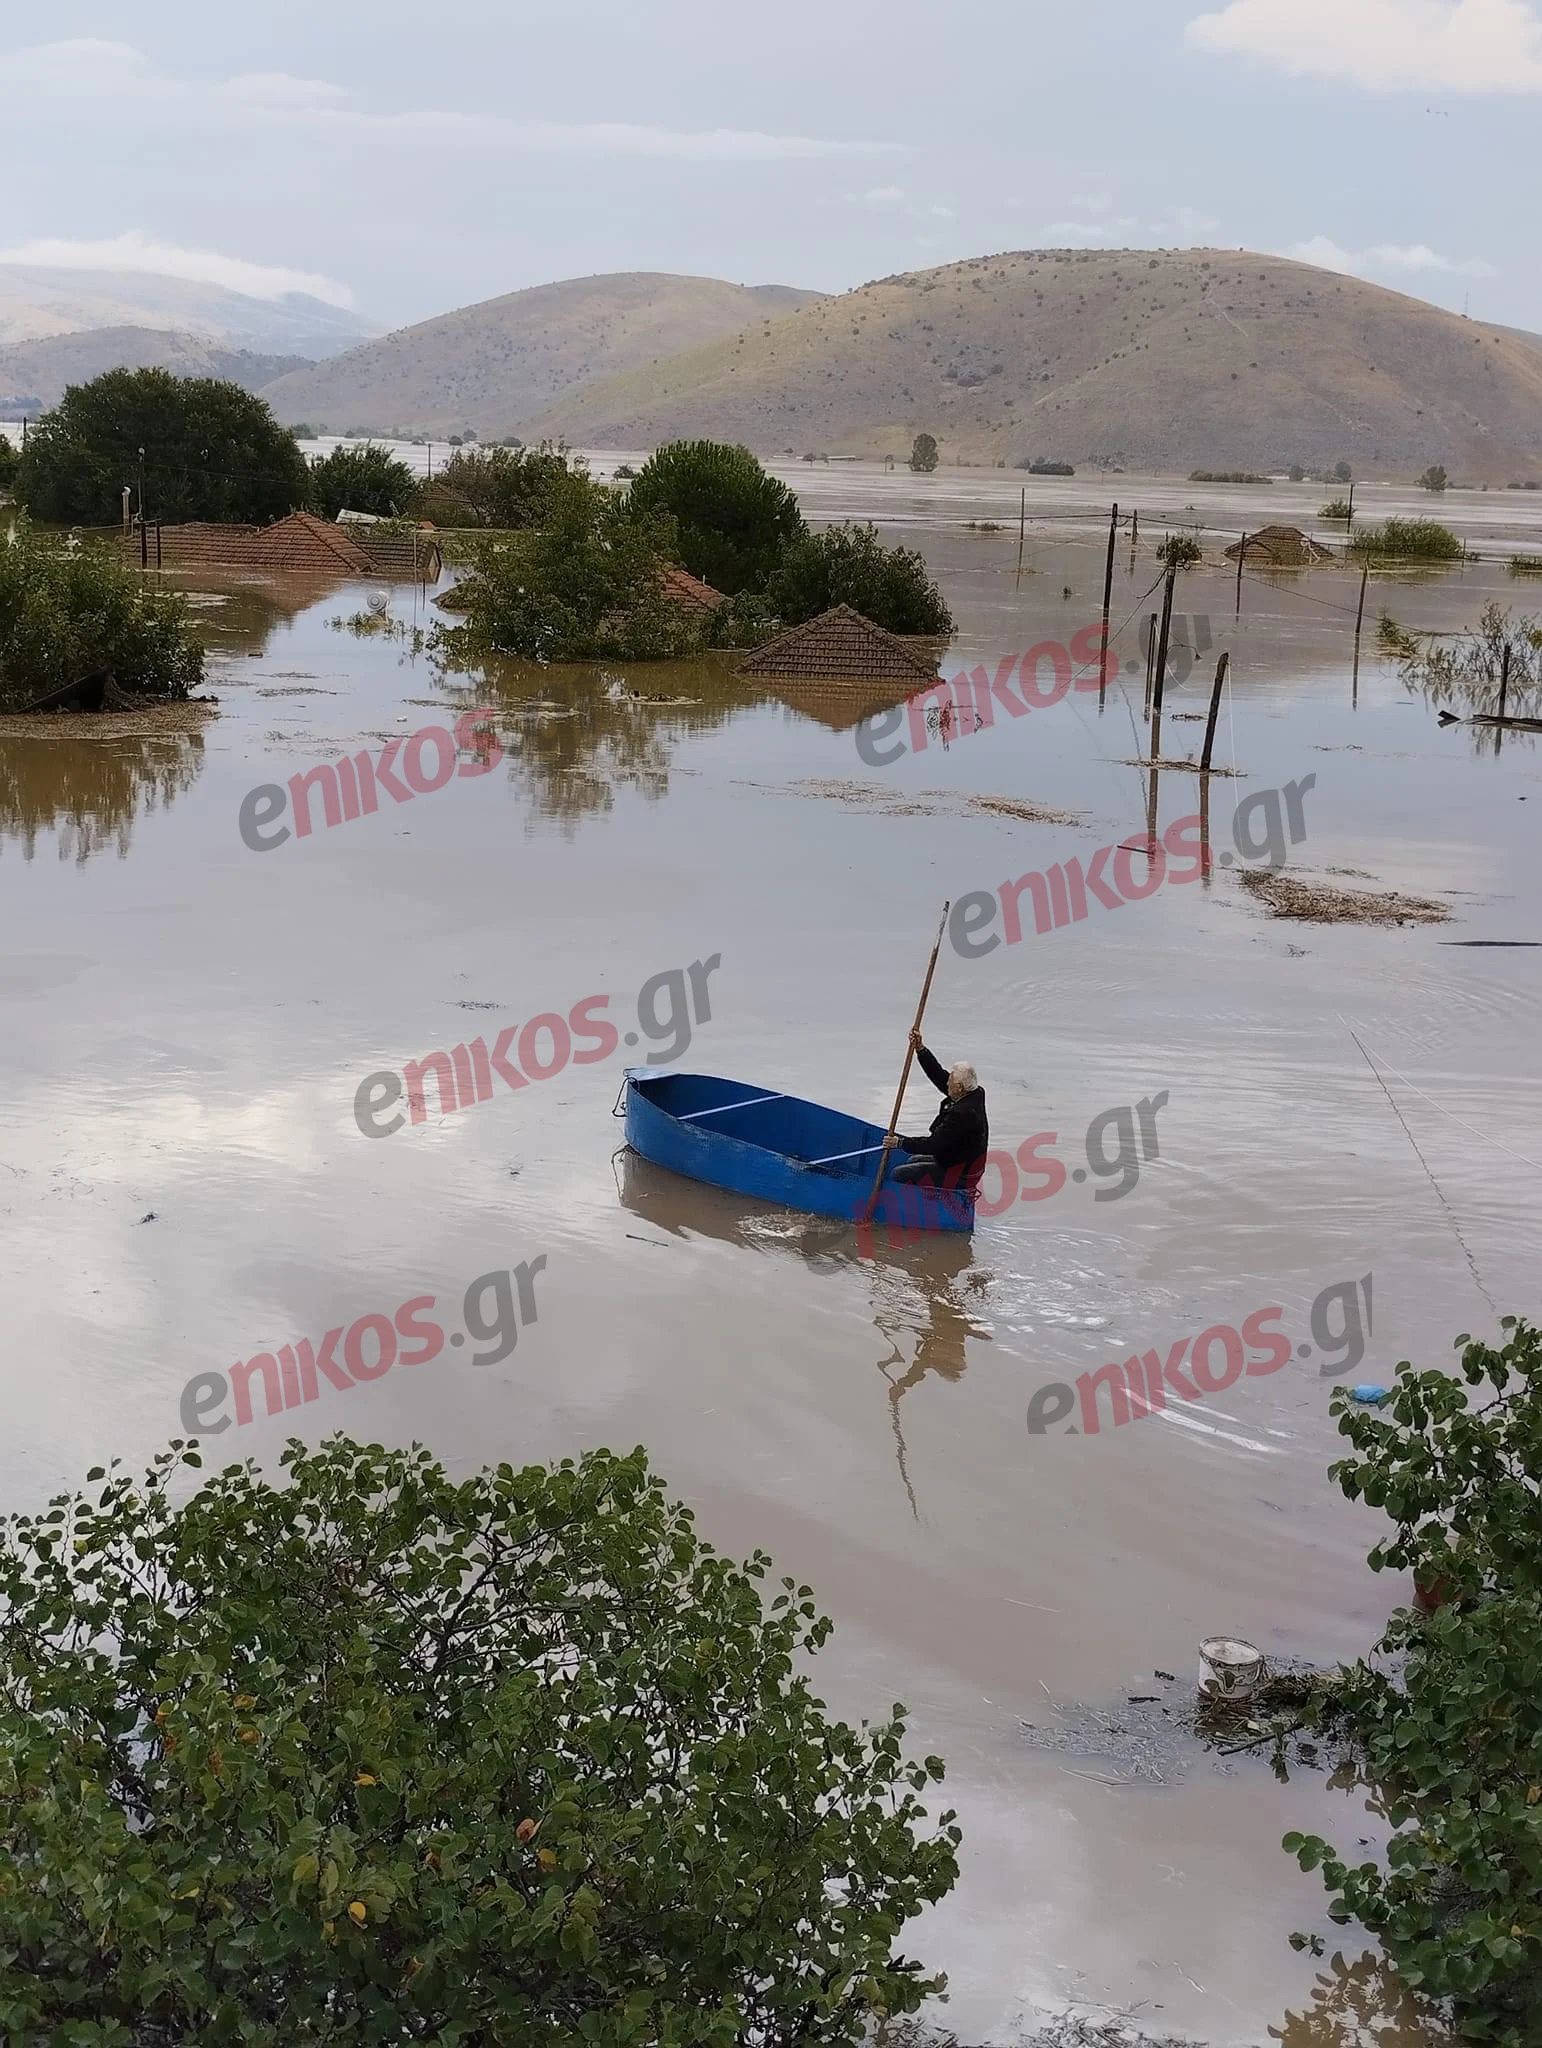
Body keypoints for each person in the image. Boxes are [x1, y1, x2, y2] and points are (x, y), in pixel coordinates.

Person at [887, 1028, 988, 1190]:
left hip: (962, 1174)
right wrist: (921, 1049)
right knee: (912, 1160)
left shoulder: (962, 1114)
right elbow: (939, 1076)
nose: (946, 1082)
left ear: (960, 1088)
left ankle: (918, 1209)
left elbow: (933, 1144)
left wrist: (899, 1143)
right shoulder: (974, 1092)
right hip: (960, 1161)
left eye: (951, 1080)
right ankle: (927, 1193)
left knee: (899, 1174)